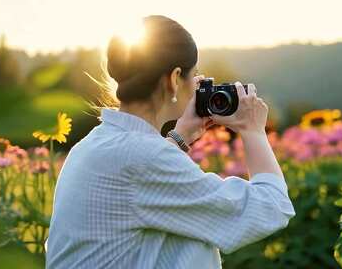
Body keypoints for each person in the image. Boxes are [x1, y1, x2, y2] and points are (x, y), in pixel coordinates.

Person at [45, 15, 295, 269]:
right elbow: (271, 208)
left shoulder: (91, 146)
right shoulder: (143, 156)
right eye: (194, 75)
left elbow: (138, 189)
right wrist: (253, 130)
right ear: (174, 79)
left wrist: (180, 137)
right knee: (197, 229)